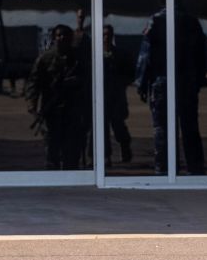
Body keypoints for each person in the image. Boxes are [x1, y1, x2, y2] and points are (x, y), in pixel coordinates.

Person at [135, 0, 207, 175]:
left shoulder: (156, 21)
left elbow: (146, 56)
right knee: (190, 127)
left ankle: (165, 170)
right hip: (187, 82)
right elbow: (201, 55)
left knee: (162, 130)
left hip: (162, 83)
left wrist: (141, 83)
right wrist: (199, 79)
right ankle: (196, 169)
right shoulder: (191, 22)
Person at [26, 23, 91, 169]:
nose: (61, 38)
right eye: (58, 35)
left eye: (64, 35)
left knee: (72, 153)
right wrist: (32, 105)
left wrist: (75, 84)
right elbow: (33, 83)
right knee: (52, 150)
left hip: (73, 111)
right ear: (54, 38)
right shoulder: (45, 59)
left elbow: (88, 82)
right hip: (52, 111)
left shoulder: (78, 59)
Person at [101, 24, 133, 164]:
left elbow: (130, 74)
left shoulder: (120, 55)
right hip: (101, 97)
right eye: (103, 34)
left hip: (116, 97)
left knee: (119, 126)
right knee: (102, 129)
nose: (105, 37)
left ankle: (125, 148)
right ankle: (105, 156)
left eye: (108, 34)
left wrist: (120, 83)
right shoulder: (96, 55)